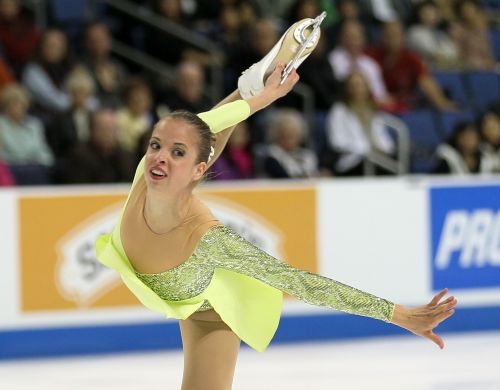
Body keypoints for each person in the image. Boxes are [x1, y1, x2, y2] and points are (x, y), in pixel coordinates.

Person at [96, 16, 456, 390]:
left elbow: (297, 282)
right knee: (197, 132)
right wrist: (254, 97)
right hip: (174, 274)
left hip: (210, 313)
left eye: (176, 153)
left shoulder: (207, 237)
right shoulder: (145, 173)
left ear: (200, 170)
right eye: (155, 146)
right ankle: (246, 88)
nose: (159, 158)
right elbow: (206, 126)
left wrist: (398, 314)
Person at [366, 21, 457, 113]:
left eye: (396, 35)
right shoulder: (371, 55)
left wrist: (442, 104)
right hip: (374, 104)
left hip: (402, 105)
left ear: (403, 37)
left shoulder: (411, 58)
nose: (392, 39)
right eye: (388, 34)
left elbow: (426, 82)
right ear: (382, 37)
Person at [326, 71, 395, 176]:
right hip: (354, 160)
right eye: (354, 86)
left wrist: (384, 149)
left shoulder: (373, 111)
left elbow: (384, 139)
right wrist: (364, 150)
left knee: (398, 159)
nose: (358, 89)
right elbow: (336, 142)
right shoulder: (339, 111)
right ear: (347, 88)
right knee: (372, 164)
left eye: (362, 85)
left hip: (377, 157)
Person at [63, 108, 134, 184]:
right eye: (104, 129)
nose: (108, 134)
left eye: (112, 129)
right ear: (92, 130)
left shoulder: (125, 156)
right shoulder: (79, 155)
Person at [262, 108, 319, 178]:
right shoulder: (272, 155)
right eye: (286, 135)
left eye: (293, 135)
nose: (290, 140)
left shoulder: (308, 155)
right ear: (278, 135)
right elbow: (283, 178)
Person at [408, 0, 459, 70]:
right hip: (426, 71)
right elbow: (432, 53)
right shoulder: (414, 32)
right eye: (426, 13)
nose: (431, 16)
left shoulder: (440, 33)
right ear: (419, 15)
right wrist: (444, 58)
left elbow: (453, 53)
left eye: (433, 12)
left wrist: (447, 58)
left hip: (446, 70)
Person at [449, 0, 496, 71]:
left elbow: (488, 53)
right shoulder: (456, 30)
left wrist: (490, 63)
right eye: (465, 10)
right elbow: (458, 55)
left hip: (487, 68)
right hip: (468, 69)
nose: (467, 12)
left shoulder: (482, 30)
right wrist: (478, 64)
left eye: (470, 9)